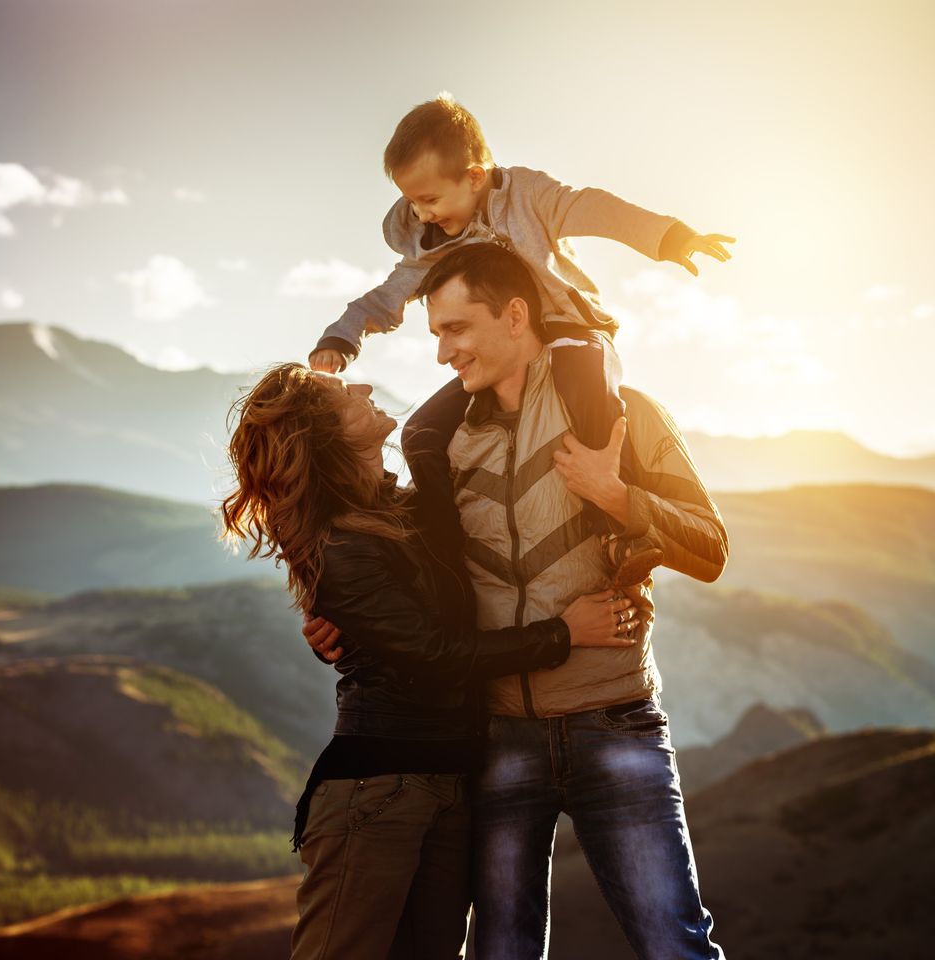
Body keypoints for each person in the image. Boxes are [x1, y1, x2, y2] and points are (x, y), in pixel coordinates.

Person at [307, 243, 729, 960]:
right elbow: (406, 571)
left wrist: (616, 495)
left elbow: (710, 548)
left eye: (456, 328)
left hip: (616, 724)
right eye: (435, 332)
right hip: (500, 741)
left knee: (675, 946)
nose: (442, 353)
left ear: (514, 314)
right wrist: (338, 624)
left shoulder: (623, 416)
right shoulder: (439, 445)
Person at [220, 362, 640, 960]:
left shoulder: (404, 510)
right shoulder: (343, 543)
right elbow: (435, 654)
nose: (365, 387)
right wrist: (562, 634)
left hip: (453, 781)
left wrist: (528, 333)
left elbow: (470, 381)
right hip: (379, 788)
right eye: (345, 395)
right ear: (327, 435)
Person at [307, 94, 733, 586]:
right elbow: (390, 293)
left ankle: (613, 532)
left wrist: (668, 237)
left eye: (430, 200)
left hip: (571, 330)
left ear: (473, 176)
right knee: (421, 429)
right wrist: (342, 336)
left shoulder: (528, 197)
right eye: (412, 203)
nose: (422, 216)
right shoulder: (435, 246)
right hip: (489, 642)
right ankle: (442, 553)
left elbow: (589, 207)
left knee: (581, 376)